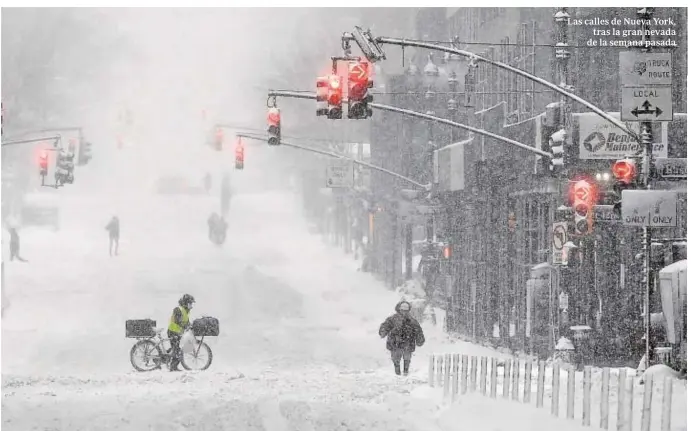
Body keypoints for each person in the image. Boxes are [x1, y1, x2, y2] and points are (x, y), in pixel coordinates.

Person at [379, 300, 425, 376]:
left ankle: (405, 372)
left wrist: (420, 339)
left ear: (408, 310)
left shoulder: (412, 321)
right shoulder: (392, 319)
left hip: (408, 343)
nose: (404, 312)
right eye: (402, 310)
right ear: (399, 310)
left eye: (406, 311)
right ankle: (397, 373)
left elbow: (418, 330)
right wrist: (383, 332)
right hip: (395, 343)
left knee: (407, 358)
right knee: (396, 360)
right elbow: (385, 326)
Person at [167, 294, 195, 372]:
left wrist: (191, 326)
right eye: (190, 303)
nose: (191, 305)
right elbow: (177, 320)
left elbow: (186, 322)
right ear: (186, 303)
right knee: (177, 349)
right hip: (173, 331)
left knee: (176, 348)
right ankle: (172, 367)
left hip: (178, 332)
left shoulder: (186, 311)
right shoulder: (178, 309)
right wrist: (185, 326)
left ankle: (166, 359)